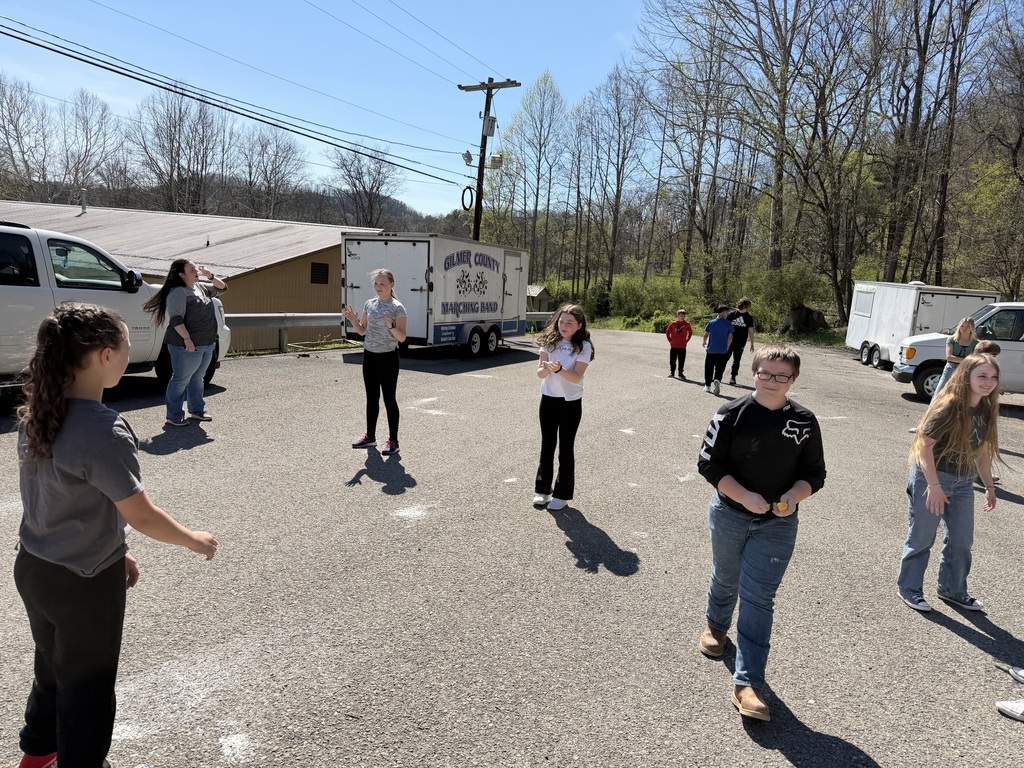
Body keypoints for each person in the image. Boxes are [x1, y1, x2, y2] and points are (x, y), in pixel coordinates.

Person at [13, 304, 218, 768]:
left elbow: (66, 502)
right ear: (105, 356)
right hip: (83, 584)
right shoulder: (105, 429)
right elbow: (141, 514)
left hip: (34, 568)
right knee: (88, 688)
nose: (128, 355)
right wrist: (193, 539)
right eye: (125, 346)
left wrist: (116, 549)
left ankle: (37, 755)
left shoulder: (37, 413)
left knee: (51, 667)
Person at [696, 345, 827, 722]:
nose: (772, 381)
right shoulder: (730, 413)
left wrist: (792, 496)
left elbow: (815, 474)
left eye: (781, 376)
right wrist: (743, 495)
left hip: (779, 523)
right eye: (765, 373)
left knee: (759, 599)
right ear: (753, 373)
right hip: (730, 514)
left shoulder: (804, 421)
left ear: (794, 379)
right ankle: (716, 627)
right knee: (726, 577)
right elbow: (708, 463)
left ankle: (748, 684)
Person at [897, 353, 1000, 613]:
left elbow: (982, 452)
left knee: (961, 540)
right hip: (932, 478)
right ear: (966, 376)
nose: (988, 382)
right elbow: (924, 445)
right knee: (922, 537)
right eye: (982, 376)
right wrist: (933, 486)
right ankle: (909, 587)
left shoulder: (985, 409)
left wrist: (989, 485)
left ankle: (952, 589)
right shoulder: (950, 406)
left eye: (993, 377)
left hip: (964, 481)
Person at [143, 259, 228, 427]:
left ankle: (197, 410)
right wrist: (187, 339)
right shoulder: (177, 293)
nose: (196, 271)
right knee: (181, 379)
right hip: (185, 345)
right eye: (192, 269)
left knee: (198, 377)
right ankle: (173, 415)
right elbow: (176, 320)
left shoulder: (201, 288)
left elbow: (222, 288)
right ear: (182, 275)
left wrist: (210, 276)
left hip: (206, 342)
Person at [533, 304, 595, 512]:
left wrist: (559, 370)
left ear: (579, 325)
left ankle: (562, 494)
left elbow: (577, 376)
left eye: (569, 322)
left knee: (565, 449)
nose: (564, 326)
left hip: (570, 402)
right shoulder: (549, 342)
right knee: (547, 445)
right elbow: (540, 373)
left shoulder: (584, 346)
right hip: (548, 399)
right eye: (561, 321)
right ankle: (543, 490)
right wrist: (547, 369)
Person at [343, 268, 407, 456]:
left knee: (389, 399)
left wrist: (391, 326)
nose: (378, 287)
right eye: (376, 284)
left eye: (383, 284)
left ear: (391, 285)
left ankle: (393, 441)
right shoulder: (369, 304)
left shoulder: (397, 307)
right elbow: (362, 331)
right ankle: (370, 437)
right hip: (369, 356)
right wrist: (353, 320)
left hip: (388, 357)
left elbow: (402, 338)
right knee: (372, 398)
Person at [931, 317, 978, 400]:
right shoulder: (951, 339)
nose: (964, 328)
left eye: (967, 326)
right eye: (962, 326)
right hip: (951, 368)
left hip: (966, 370)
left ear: (972, 328)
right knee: (939, 393)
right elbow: (949, 357)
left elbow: (976, 359)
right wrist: (967, 360)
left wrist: (962, 360)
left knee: (962, 396)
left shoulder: (976, 343)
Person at [702, 305, 733, 395]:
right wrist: (727, 347)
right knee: (720, 368)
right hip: (722, 351)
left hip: (711, 350)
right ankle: (717, 380)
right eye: (727, 312)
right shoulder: (728, 323)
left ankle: (707, 386)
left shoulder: (711, 322)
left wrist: (704, 342)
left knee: (709, 368)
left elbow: (706, 334)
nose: (728, 313)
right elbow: (730, 337)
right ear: (722, 312)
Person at [725, 298, 756, 385]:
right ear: (742, 305)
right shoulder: (731, 314)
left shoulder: (749, 317)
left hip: (741, 341)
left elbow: (750, 331)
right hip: (729, 340)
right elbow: (725, 326)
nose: (748, 308)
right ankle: (717, 375)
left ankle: (733, 377)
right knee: (725, 357)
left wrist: (752, 343)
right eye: (747, 306)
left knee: (737, 359)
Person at [665, 309, 692, 379]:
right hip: (674, 345)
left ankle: (680, 373)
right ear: (678, 316)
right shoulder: (673, 324)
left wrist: (687, 340)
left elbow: (690, 332)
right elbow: (668, 331)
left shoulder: (687, 324)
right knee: (672, 360)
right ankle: (672, 372)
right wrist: (669, 340)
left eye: (683, 316)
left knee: (681, 360)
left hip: (682, 346)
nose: (682, 317)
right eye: (680, 316)